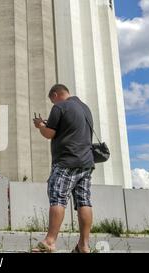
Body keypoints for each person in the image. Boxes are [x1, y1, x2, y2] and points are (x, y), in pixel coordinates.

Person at [32, 84, 95, 253]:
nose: (52, 102)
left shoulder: (59, 106)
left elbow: (49, 134)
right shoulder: (85, 108)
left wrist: (40, 125)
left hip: (66, 161)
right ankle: (84, 245)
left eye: (51, 99)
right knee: (84, 202)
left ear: (55, 94)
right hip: (86, 162)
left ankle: (50, 241)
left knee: (58, 198)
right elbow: (70, 130)